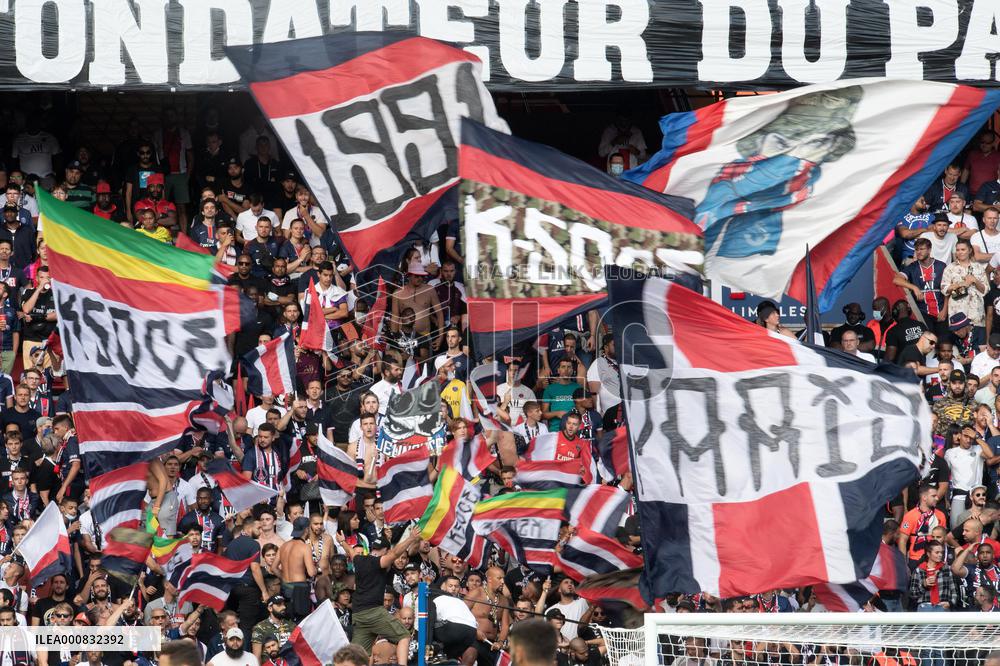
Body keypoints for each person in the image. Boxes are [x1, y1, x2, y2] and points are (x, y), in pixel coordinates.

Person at [337, 530, 420, 663]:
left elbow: (351, 552)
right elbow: (395, 553)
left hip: (358, 614)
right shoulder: (379, 561)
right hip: (373, 612)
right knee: (404, 636)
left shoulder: (359, 559)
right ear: (385, 550)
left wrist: (342, 542)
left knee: (358, 654)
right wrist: (411, 538)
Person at [942, 239, 989, 346]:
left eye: (963, 249)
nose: (960, 252)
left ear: (970, 250)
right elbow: (944, 289)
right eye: (957, 250)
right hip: (958, 313)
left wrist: (975, 281)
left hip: (976, 313)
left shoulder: (978, 267)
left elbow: (985, 290)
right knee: (959, 346)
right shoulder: (950, 268)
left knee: (978, 346)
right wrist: (961, 284)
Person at [908, 541, 956, 610]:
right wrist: (924, 585)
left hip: (942, 606)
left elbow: (954, 590)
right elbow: (912, 594)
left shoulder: (947, 569)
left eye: (941, 552)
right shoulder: (919, 570)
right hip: (925, 607)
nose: (940, 555)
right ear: (928, 554)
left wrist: (951, 603)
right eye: (937, 552)